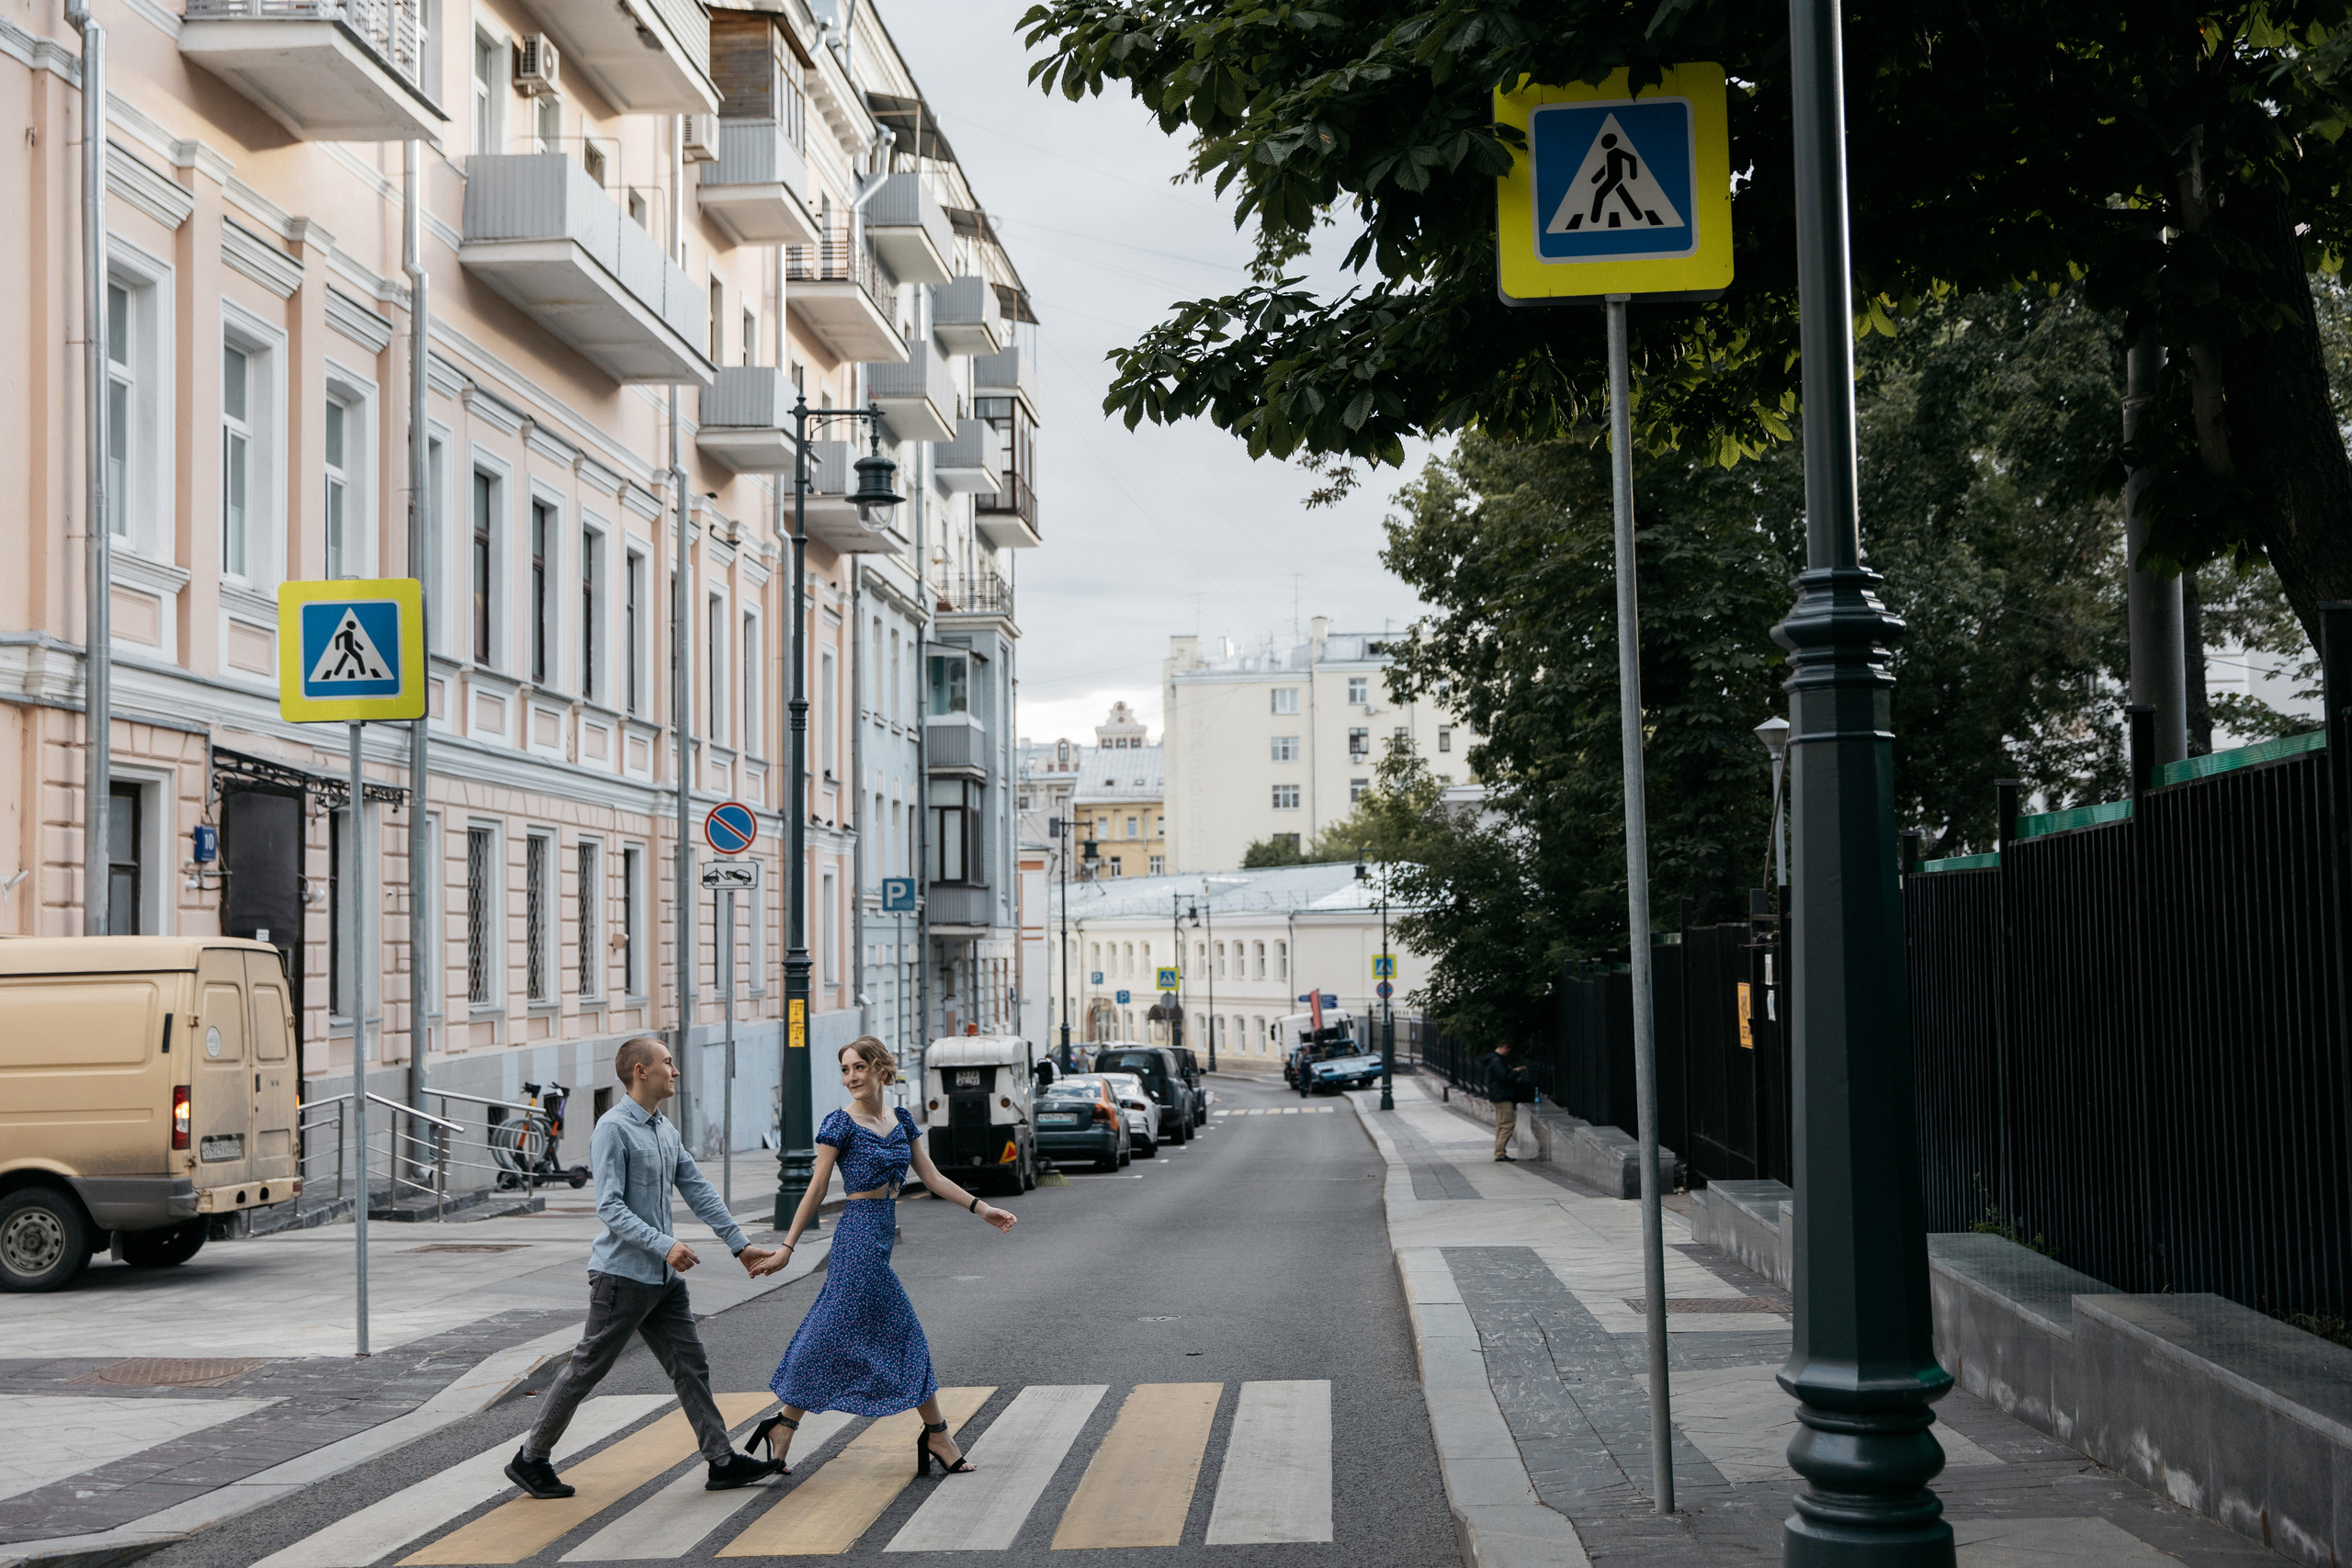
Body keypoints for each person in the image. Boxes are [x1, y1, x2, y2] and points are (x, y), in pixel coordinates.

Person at [506, 1037, 784, 1500]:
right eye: (667, 1063)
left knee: (690, 1365)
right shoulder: (613, 1129)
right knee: (587, 1369)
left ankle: (721, 1461)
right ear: (641, 1071)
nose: (675, 1071)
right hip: (621, 1277)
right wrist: (665, 1244)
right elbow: (609, 1207)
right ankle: (531, 1458)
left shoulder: (663, 1128)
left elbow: (697, 1188)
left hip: (663, 1280)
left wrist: (740, 1245)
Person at [744, 1037, 1016, 1478]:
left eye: (860, 1067)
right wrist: (787, 1249)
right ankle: (937, 1435)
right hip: (856, 1242)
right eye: (845, 1069)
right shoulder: (840, 1124)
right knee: (902, 1335)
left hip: (879, 1239)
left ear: (881, 1070)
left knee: (831, 1334)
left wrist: (981, 1209)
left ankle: (784, 1426)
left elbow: (931, 1176)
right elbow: (817, 1188)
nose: (851, 1077)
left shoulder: (900, 1120)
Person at [1486, 1044, 1532, 1162]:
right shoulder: (1497, 1061)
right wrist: (1516, 1071)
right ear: (1504, 1047)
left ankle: (1499, 1152)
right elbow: (1504, 1078)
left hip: (1498, 1096)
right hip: (1502, 1096)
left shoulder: (1493, 1059)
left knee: (1501, 1125)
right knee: (1507, 1124)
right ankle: (1500, 1153)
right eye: (1508, 1050)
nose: (1508, 1053)